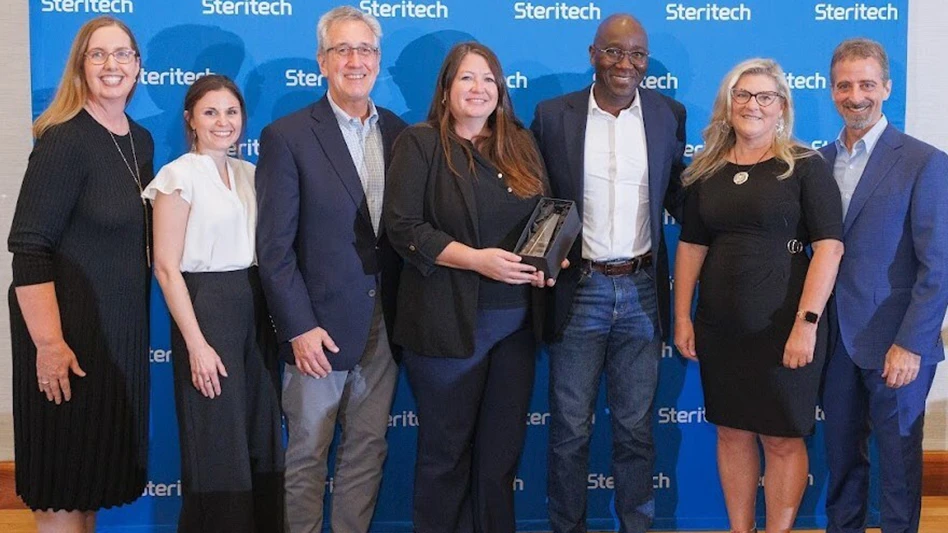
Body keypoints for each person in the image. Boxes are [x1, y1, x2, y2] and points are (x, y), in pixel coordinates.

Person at [384, 41, 558, 533]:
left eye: (487, 79)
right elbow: (404, 228)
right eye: (466, 78)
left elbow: (544, 222)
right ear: (445, 90)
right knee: (445, 457)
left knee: (499, 461)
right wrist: (478, 261)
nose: (478, 88)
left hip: (516, 329)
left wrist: (553, 256)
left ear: (500, 91)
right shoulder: (420, 143)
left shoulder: (520, 145)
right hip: (447, 328)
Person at [673, 58, 844, 533]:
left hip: (785, 329)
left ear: (782, 106)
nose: (753, 104)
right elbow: (690, 247)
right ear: (728, 105)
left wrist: (806, 324)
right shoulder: (706, 170)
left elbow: (829, 248)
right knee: (731, 432)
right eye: (743, 95)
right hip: (719, 330)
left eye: (764, 96)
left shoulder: (806, 167)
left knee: (783, 439)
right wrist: (682, 319)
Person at [530, 13, 686, 533]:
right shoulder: (554, 116)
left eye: (637, 54)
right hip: (581, 291)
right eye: (615, 51)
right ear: (593, 53)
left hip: (642, 289)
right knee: (571, 430)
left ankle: (636, 527)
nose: (626, 64)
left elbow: (683, 196)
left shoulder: (668, 114)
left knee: (637, 430)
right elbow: (535, 201)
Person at [254, 6, 407, 533]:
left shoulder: (402, 134)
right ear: (322, 61)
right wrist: (298, 327)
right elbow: (273, 249)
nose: (355, 60)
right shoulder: (288, 136)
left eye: (364, 49)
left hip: (388, 326)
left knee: (367, 452)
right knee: (307, 455)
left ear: (378, 59)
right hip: (317, 329)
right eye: (342, 49)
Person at [7, 15, 153, 533]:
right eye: (98, 55)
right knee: (65, 493)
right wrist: (49, 344)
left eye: (122, 55)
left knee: (90, 487)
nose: (111, 65)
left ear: (138, 67)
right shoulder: (63, 140)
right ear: (80, 67)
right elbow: (27, 249)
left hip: (113, 345)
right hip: (65, 344)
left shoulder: (140, 140)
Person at [144, 75, 283, 532]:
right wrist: (197, 345)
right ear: (190, 119)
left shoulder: (251, 174)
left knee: (261, 439)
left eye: (231, 112)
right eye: (210, 112)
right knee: (217, 444)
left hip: (256, 311)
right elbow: (165, 266)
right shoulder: (177, 176)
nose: (222, 122)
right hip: (206, 313)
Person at [820, 38, 948, 533]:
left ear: (887, 88)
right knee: (842, 468)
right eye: (846, 85)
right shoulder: (817, 161)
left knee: (898, 471)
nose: (856, 95)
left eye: (867, 84)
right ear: (832, 91)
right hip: (835, 345)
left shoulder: (924, 161)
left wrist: (910, 345)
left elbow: (937, 266)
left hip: (898, 347)